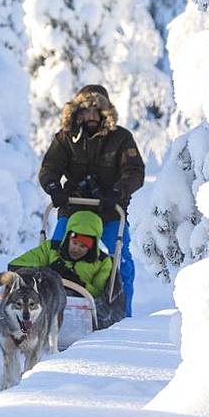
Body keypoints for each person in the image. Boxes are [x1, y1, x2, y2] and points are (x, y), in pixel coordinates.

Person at [37, 84, 144, 317]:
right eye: (86, 111)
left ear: (106, 113)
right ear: (77, 113)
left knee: (121, 260)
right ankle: (48, 308)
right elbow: (49, 168)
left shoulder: (121, 139)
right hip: (73, 208)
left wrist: (118, 191)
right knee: (54, 251)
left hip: (108, 209)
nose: (92, 116)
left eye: (97, 111)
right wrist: (54, 188)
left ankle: (124, 314)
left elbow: (134, 172)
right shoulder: (65, 139)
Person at [8, 211, 112, 298]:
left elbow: (100, 295)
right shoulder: (51, 248)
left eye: (83, 246)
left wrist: (78, 282)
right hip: (46, 301)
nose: (77, 249)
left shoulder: (103, 262)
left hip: (81, 305)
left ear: (91, 248)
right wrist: (44, 273)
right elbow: (15, 266)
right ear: (68, 238)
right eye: (74, 243)